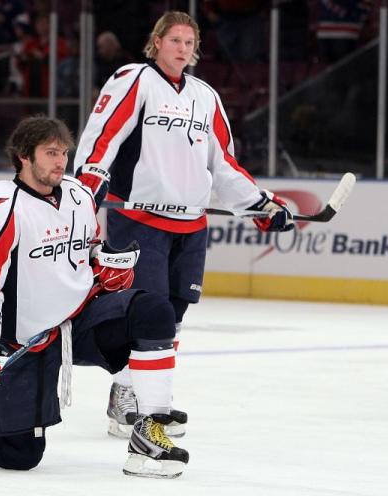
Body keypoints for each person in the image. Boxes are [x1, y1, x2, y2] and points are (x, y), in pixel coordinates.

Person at [73, 11, 294, 439]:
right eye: (174, 39)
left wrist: (259, 205)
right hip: (140, 219)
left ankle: (147, 400)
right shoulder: (134, 79)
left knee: (173, 313)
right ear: (156, 42)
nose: (182, 48)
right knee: (146, 309)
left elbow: (223, 164)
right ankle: (131, 403)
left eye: (189, 42)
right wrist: (86, 190)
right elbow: (103, 137)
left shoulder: (206, 96)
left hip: (190, 225)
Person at [0, 115, 190, 479]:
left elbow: (88, 253)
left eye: (64, 153)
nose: (60, 161)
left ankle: (150, 430)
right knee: (18, 454)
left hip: (79, 321)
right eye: (50, 152)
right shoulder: (0, 208)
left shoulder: (78, 195)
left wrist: (106, 268)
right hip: (23, 339)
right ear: (24, 156)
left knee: (155, 312)